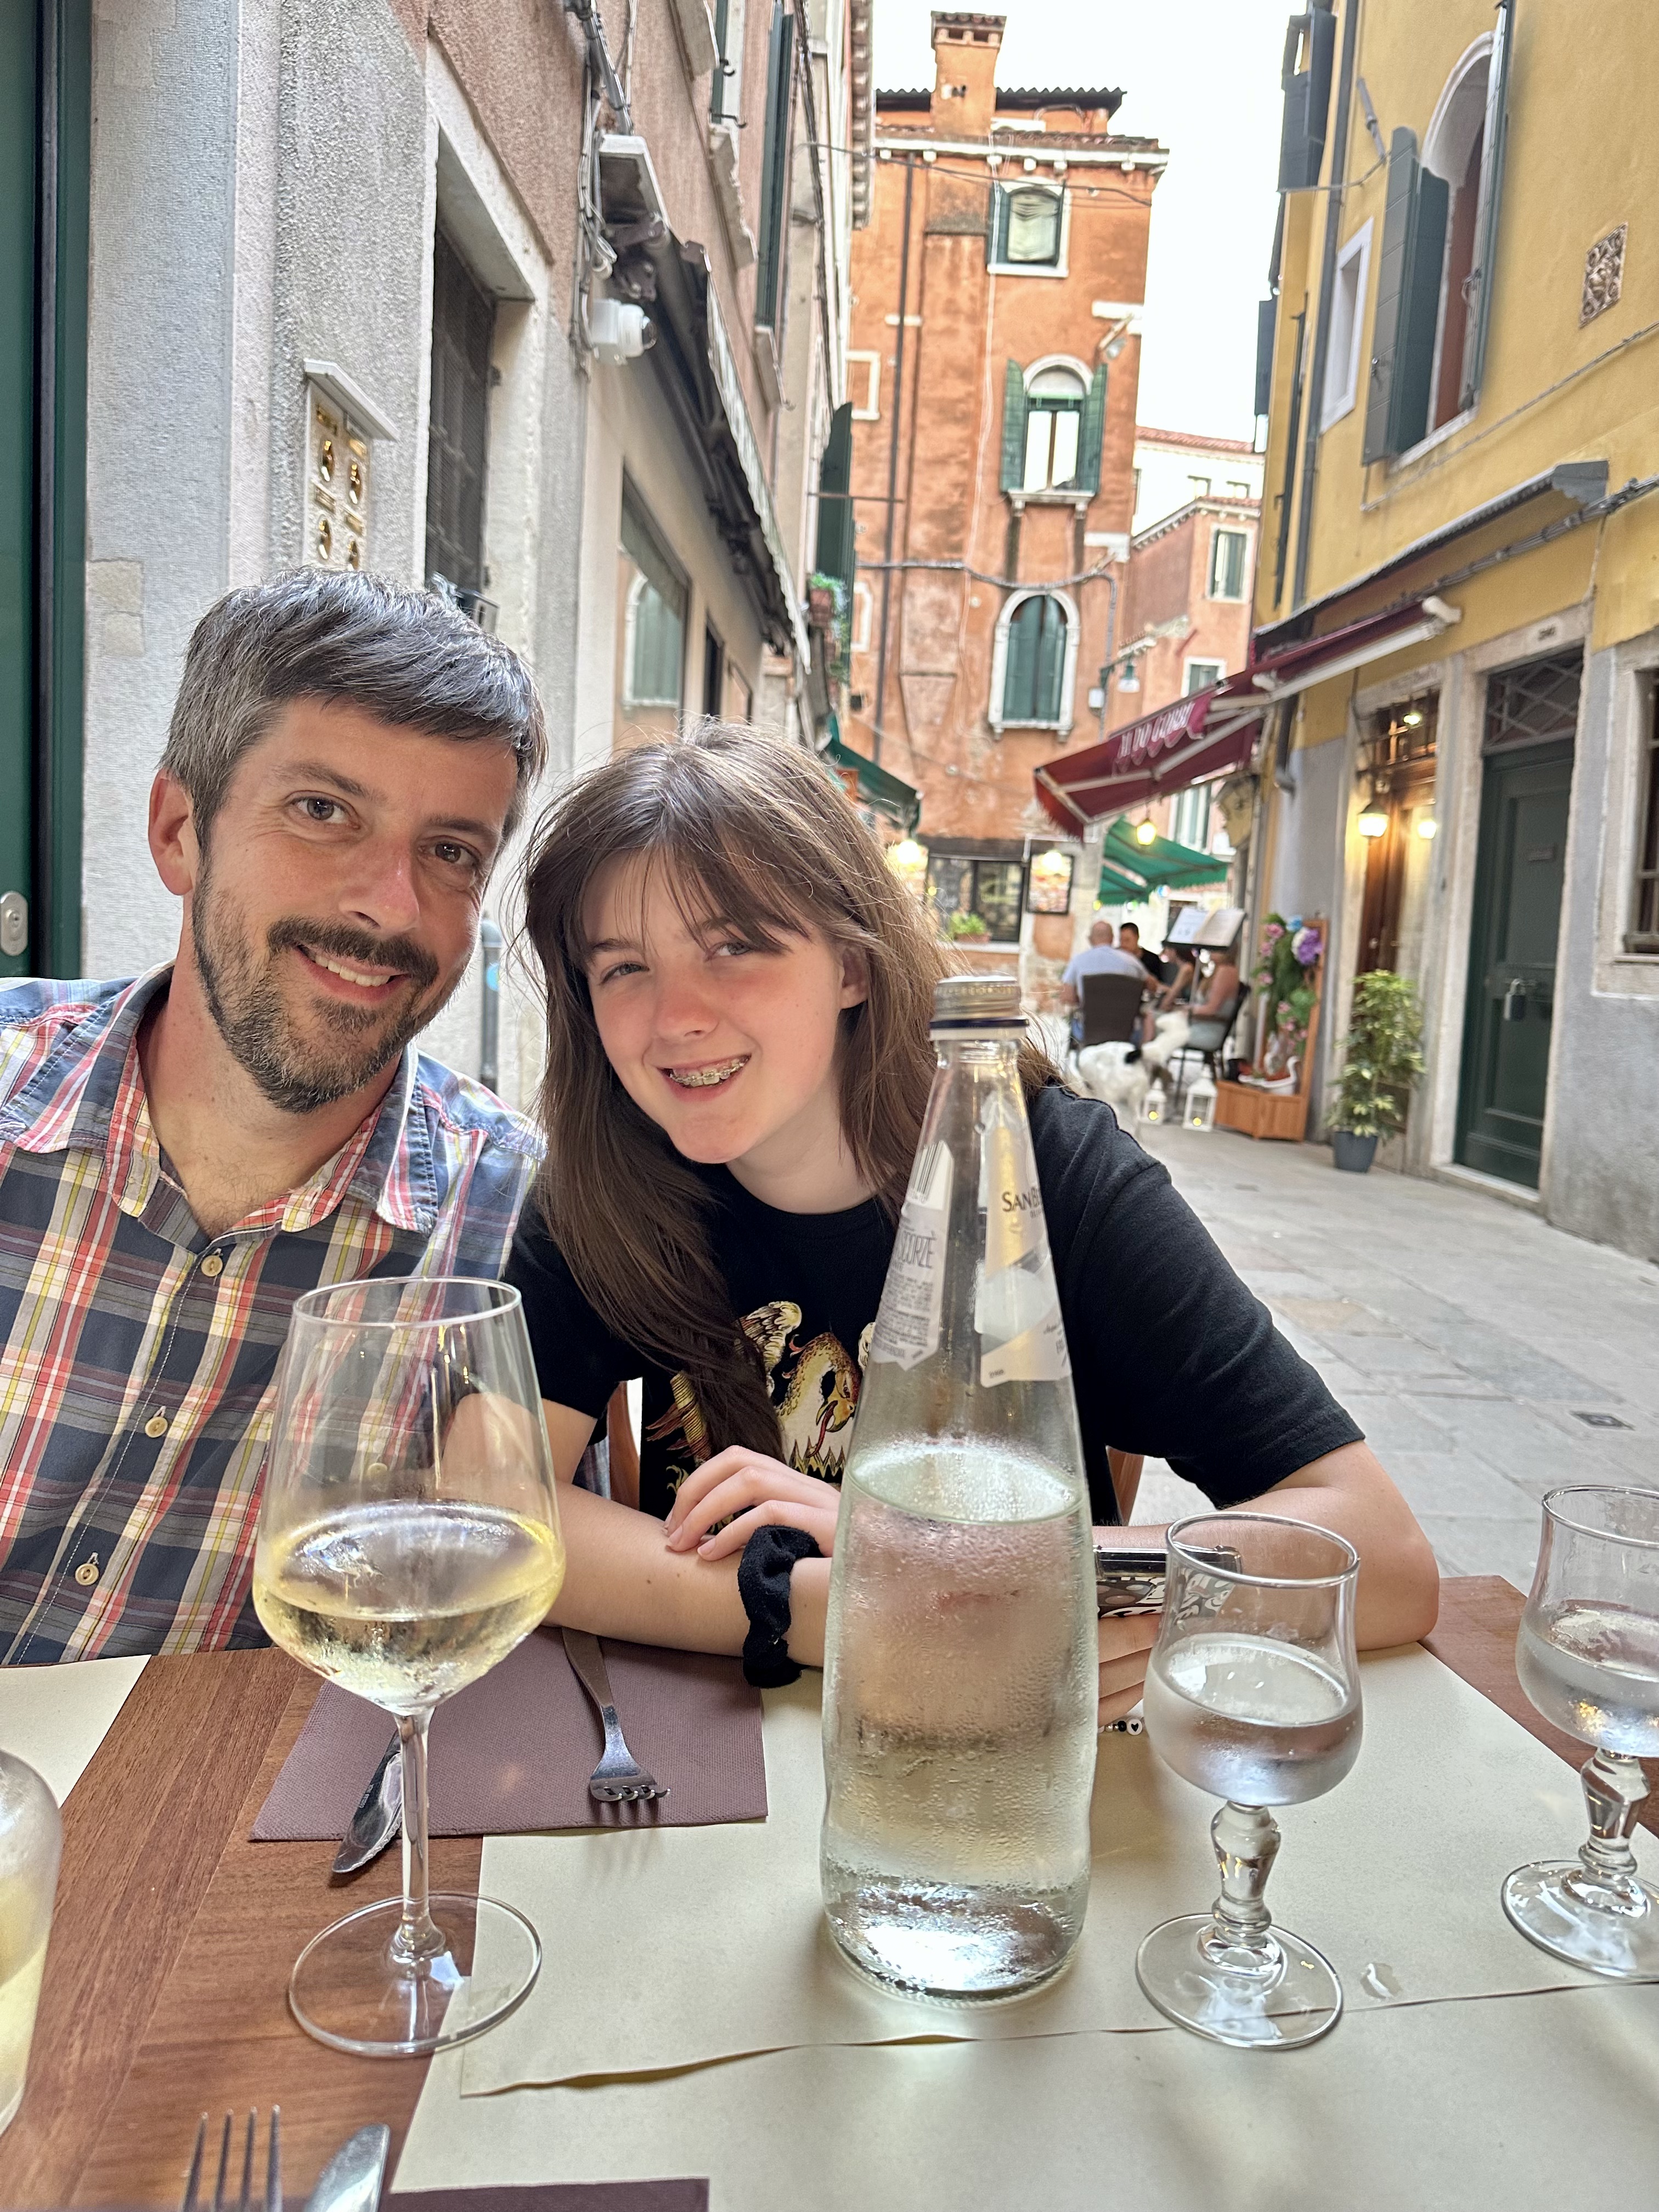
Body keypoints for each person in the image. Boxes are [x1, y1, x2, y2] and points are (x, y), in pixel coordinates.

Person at [510, 729, 1438, 1725]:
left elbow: (1381, 1556)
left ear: (853, 965)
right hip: (715, 1754)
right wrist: (826, 1609)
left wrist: (951, 1558)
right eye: (623, 968)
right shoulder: (606, 1187)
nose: (674, 1018)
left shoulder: (1049, 1176)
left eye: (734, 946)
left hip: (1012, 1749)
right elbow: (489, 1512)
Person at [0, 571, 546, 1662]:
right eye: (322, 812)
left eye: (450, 852)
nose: (389, 903)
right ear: (178, 831)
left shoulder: (516, 1228)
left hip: (228, 1775)